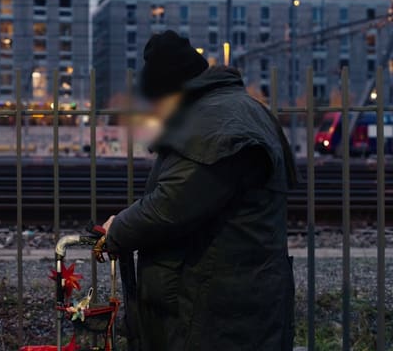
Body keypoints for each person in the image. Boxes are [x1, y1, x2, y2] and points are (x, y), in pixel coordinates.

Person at [101, 30, 297, 350]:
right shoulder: (234, 109)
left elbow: (172, 205)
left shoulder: (217, 122)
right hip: (236, 296)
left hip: (221, 309)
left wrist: (119, 228)